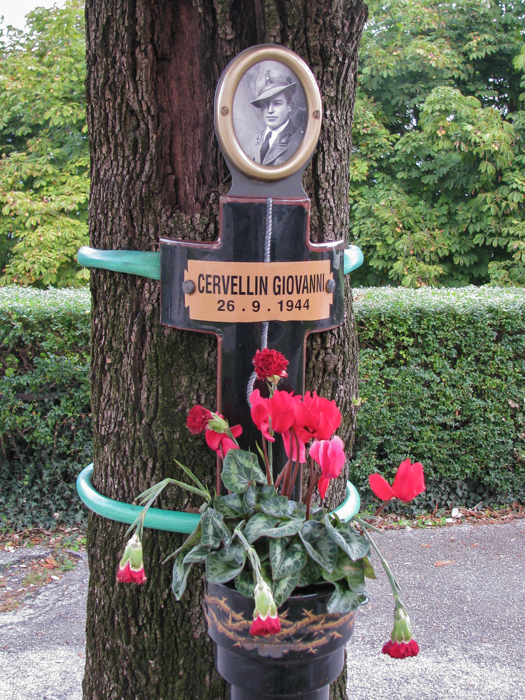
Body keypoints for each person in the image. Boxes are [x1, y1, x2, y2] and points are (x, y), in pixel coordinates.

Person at [245, 69, 305, 166]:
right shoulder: (253, 142)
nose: (270, 110)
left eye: (277, 104)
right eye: (265, 105)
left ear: (289, 106)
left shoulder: (298, 140)